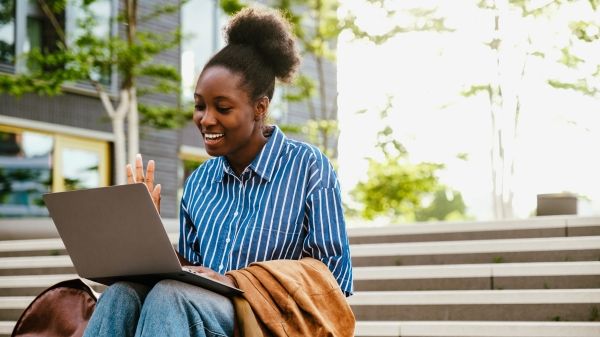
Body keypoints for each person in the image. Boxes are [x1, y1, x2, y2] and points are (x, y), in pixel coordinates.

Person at [82, 7, 353, 337]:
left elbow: (334, 280)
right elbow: (190, 270)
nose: (206, 119)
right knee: (120, 296)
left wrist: (240, 281)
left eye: (222, 108)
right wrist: (146, 234)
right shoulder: (199, 183)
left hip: (266, 321)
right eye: (199, 105)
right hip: (194, 313)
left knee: (171, 298)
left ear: (260, 107)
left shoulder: (308, 166)